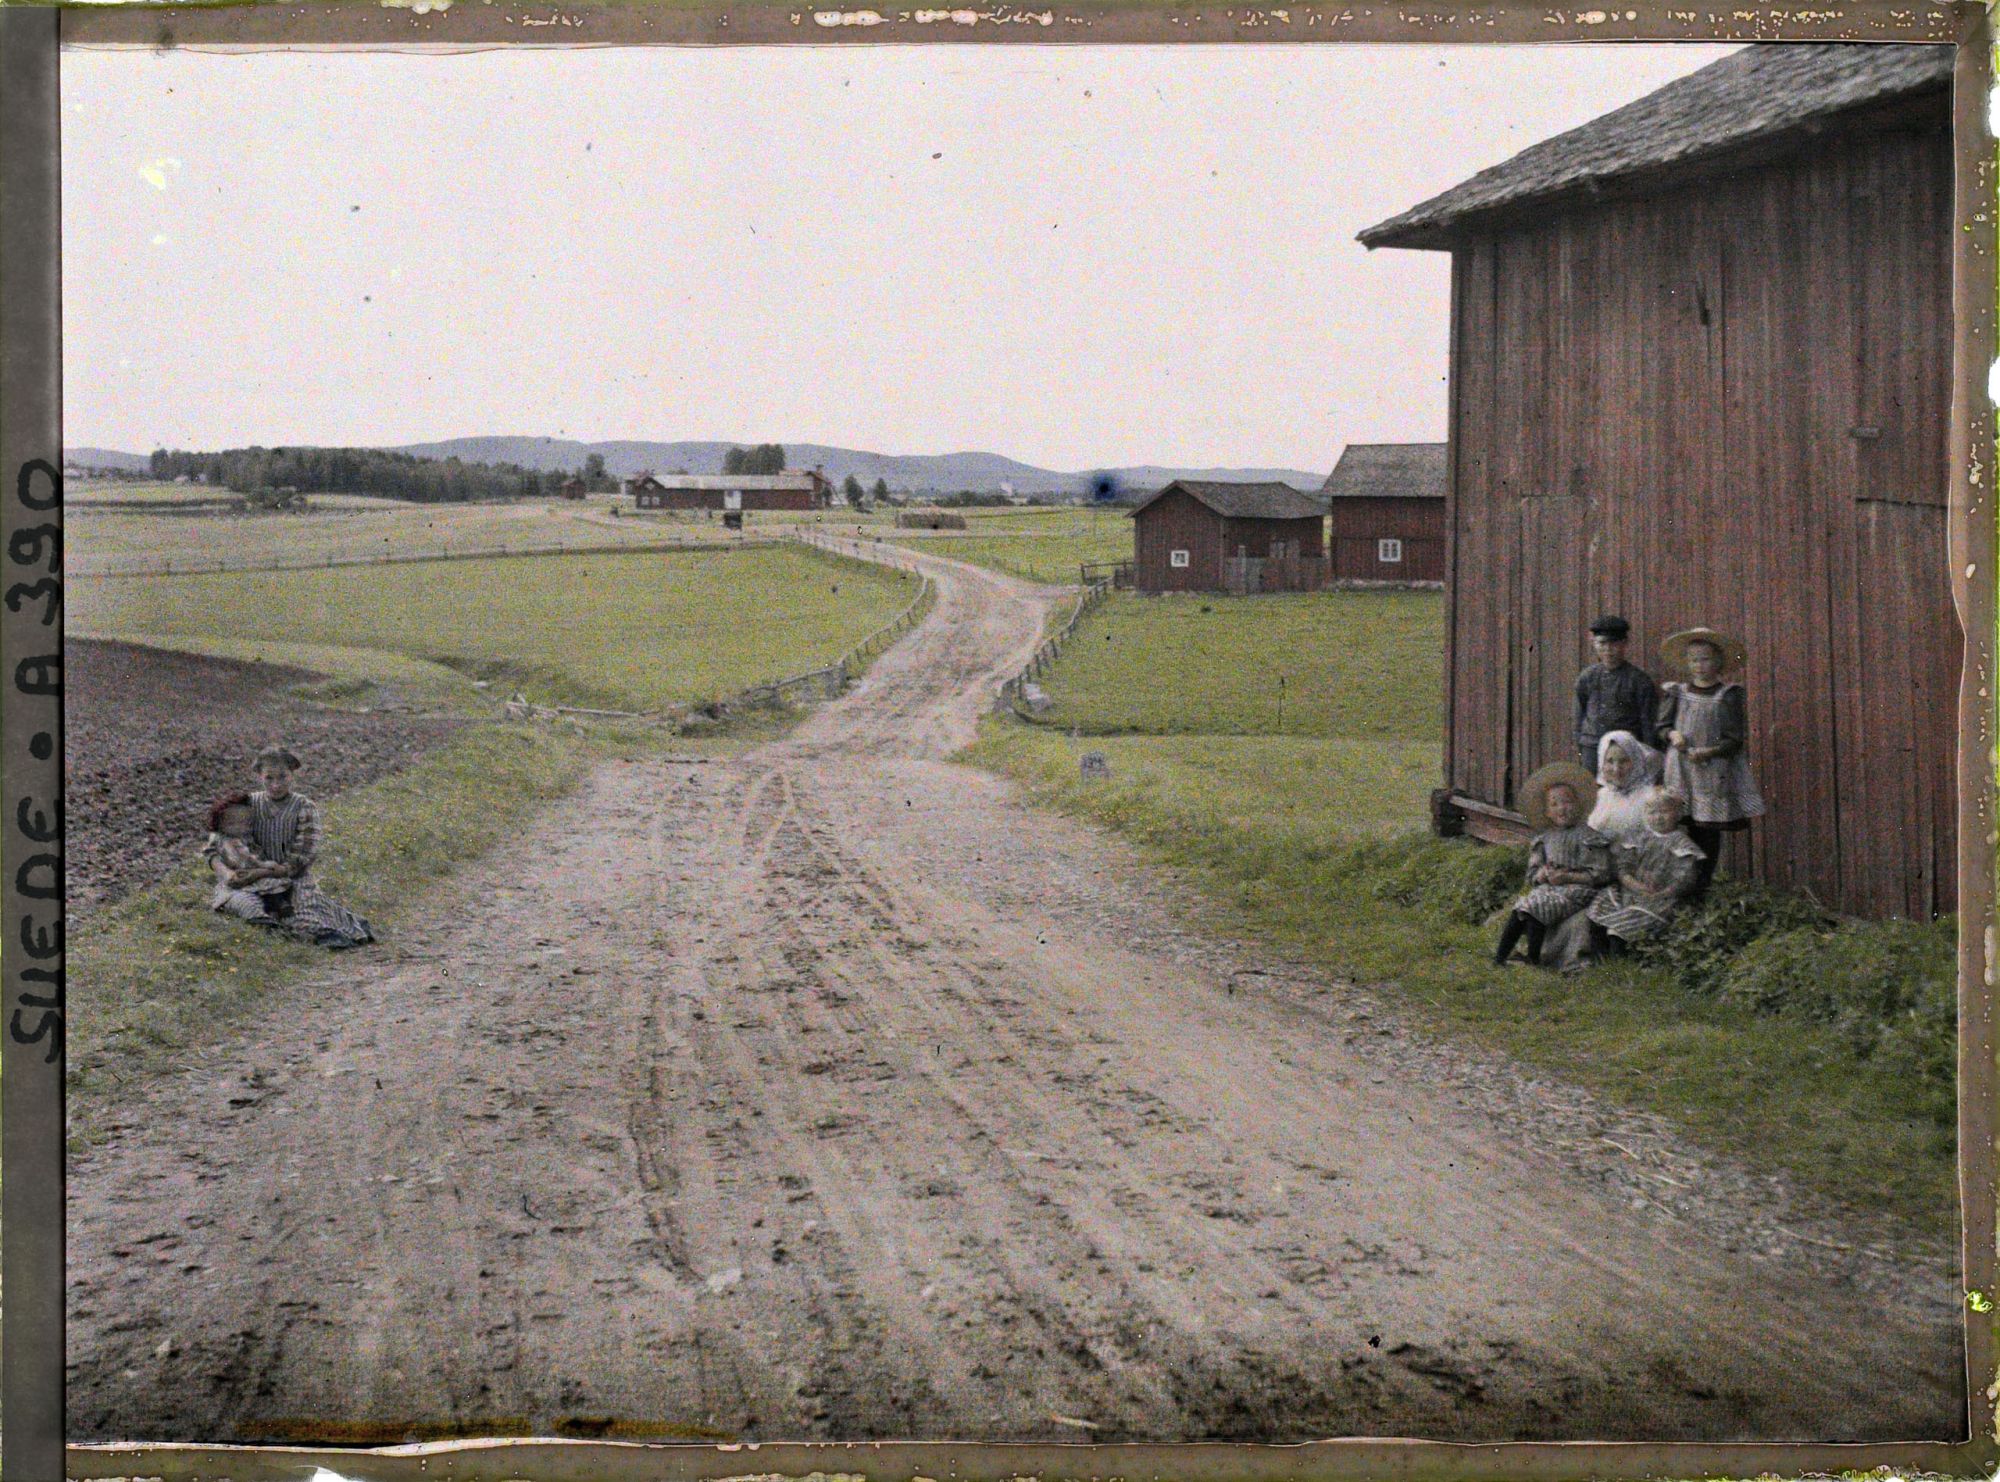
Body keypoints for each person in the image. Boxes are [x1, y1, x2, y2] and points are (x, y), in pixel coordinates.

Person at [1657, 627, 1765, 896]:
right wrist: (1672, 734)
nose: (1699, 665)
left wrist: (1708, 752)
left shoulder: (1726, 695)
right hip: (1681, 770)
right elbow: (1660, 726)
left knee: (1707, 830)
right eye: (1694, 660)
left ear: (1717, 662)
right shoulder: (1677, 693)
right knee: (1681, 824)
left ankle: (1701, 887)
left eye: (1705, 659)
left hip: (1711, 771)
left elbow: (1734, 740)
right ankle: (1678, 883)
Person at [245, 744, 376, 949]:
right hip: (254, 876)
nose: (276, 785)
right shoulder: (249, 804)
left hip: (293, 877)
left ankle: (342, 928)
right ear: (259, 776)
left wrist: (284, 870)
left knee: (303, 913)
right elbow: (229, 839)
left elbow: (306, 850)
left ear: (292, 776)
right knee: (252, 910)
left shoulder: (303, 806)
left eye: (282, 777)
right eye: (269, 778)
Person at [1493, 761, 1611, 967]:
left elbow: (1600, 874)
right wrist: (1542, 874)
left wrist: (1568, 877)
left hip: (1578, 890)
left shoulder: (1589, 837)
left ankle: (1534, 958)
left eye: (1567, 802)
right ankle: (1499, 958)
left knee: (1537, 905)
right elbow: (1533, 873)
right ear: (1547, 812)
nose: (1561, 808)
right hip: (1551, 888)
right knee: (1522, 906)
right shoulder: (1545, 839)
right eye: (1554, 804)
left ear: (1579, 805)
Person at [1583, 787, 1706, 961]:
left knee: (1627, 921)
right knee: (1603, 902)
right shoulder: (1640, 838)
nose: (1658, 817)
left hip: (1660, 898)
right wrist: (1633, 883)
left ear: (1678, 814)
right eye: (1652, 812)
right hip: (1632, 892)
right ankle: (1598, 958)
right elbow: (1624, 867)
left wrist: (1664, 892)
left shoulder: (1681, 843)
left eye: (1664, 812)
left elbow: (1686, 877)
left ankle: (1619, 962)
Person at [1575, 615, 1659, 771]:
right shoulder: (1587, 677)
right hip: (1592, 747)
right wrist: (1580, 744)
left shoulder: (1639, 680)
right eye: (1602, 643)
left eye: (1613, 643)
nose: (1607, 649)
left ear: (1625, 644)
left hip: (1624, 749)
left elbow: (1648, 722)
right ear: (1594, 644)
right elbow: (1580, 715)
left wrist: (1647, 753)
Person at [201, 791, 291, 926]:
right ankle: (258, 917)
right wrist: (227, 873)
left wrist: (265, 866)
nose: (240, 828)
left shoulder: (250, 840)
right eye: (232, 823)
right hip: (235, 884)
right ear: (219, 823)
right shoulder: (219, 840)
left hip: (257, 879)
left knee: (276, 887)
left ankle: (278, 906)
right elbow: (214, 859)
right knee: (244, 900)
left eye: (245, 823)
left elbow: (254, 858)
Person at [1586, 729, 1663, 844]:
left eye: (1623, 761)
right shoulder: (1599, 796)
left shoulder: (1650, 797)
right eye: (1609, 761)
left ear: (1636, 761)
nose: (1616, 769)